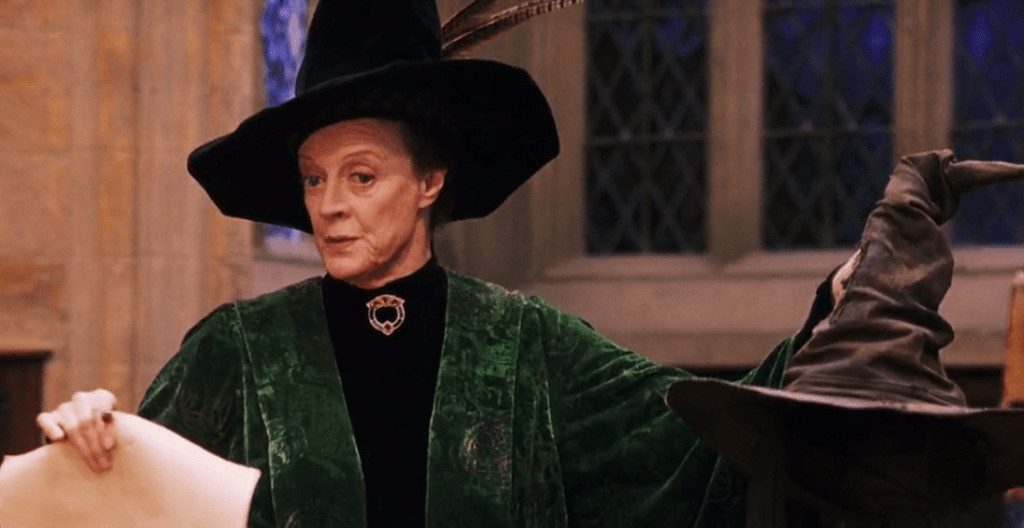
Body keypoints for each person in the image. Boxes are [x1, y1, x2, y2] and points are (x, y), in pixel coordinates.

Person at [32, 0, 1024, 526]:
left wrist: (838, 300)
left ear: (430, 182)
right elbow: (129, 493)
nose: (329, 205)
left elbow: (692, 440)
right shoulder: (238, 350)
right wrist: (86, 439)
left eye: (362, 176)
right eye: (314, 178)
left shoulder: (525, 344)